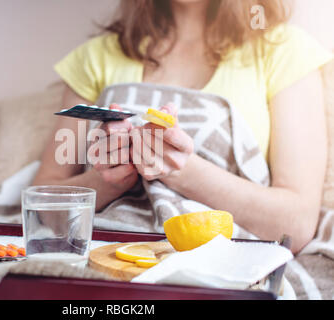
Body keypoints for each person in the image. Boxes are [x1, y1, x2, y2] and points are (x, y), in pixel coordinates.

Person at [33, 0, 333, 253]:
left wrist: (181, 171)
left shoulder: (282, 49)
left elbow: (296, 223)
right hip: (102, 255)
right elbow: (40, 203)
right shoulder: (96, 57)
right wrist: (108, 182)